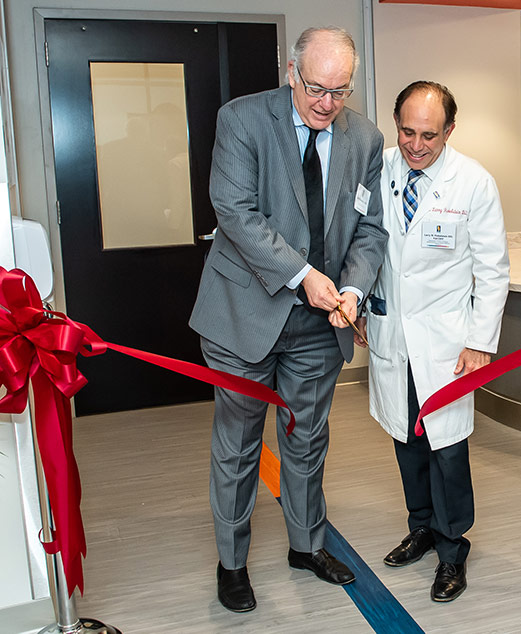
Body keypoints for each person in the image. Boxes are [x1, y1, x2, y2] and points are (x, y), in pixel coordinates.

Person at [189, 26, 387, 613]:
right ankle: (231, 562)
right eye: (316, 87)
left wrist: (351, 289)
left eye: (341, 90)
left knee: (306, 441)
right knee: (239, 442)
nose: (327, 102)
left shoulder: (366, 139)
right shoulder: (243, 120)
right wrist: (303, 275)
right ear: (291, 72)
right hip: (244, 314)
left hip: (319, 325)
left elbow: (371, 228)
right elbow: (235, 212)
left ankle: (307, 546)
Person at [356, 81, 509, 602]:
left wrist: (480, 342)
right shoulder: (378, 171)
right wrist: (357, 303)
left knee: (446, 449)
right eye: (406, 131)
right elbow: (364, 245)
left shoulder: (473, 183)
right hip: (391, 334)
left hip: (448, 343)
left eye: (428, 134)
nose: (415, 145)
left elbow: (492, 271)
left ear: (449, 130)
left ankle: (451, 550)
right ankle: (420, 525)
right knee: (406, 439)